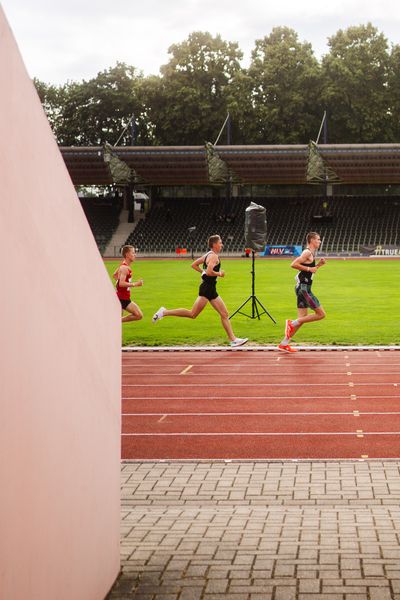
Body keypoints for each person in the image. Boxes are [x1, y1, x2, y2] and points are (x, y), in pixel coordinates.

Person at [152, 234, 248, 347]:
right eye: (220, 242)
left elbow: (194, 265)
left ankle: (233, 339)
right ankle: (164, 312)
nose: (222, 244)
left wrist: (202, 272)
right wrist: (220, 274)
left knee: (224, 313)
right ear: (214, 244)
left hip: (210, 288)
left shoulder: (208, 254)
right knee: (193, 314)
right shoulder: (213, 257)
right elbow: (209, 272)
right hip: (207, 289)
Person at [278, 232, 326, 353]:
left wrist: (318, 265)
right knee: (321, 314)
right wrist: (310, 268)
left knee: (302, 319)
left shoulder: (311, 253)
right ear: (312, 240)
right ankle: (291, 323)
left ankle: (284, 343)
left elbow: (309, 272)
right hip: (304, 289)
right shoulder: (307, 252)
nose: (320, 242)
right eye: (318, 240)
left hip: (302, 288)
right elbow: (293, 264)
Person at [113, 245, 143, 323]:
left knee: (139, 315)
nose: (135, 254)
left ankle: (117, 321)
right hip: (121, 298)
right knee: (138, 315)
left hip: (124, 297)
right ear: (127, 254)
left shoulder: (123, 265)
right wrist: (135, 284)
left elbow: (114, 275)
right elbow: (121, 283)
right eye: (133, 253)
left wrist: (119, 286)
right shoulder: (124, 268)